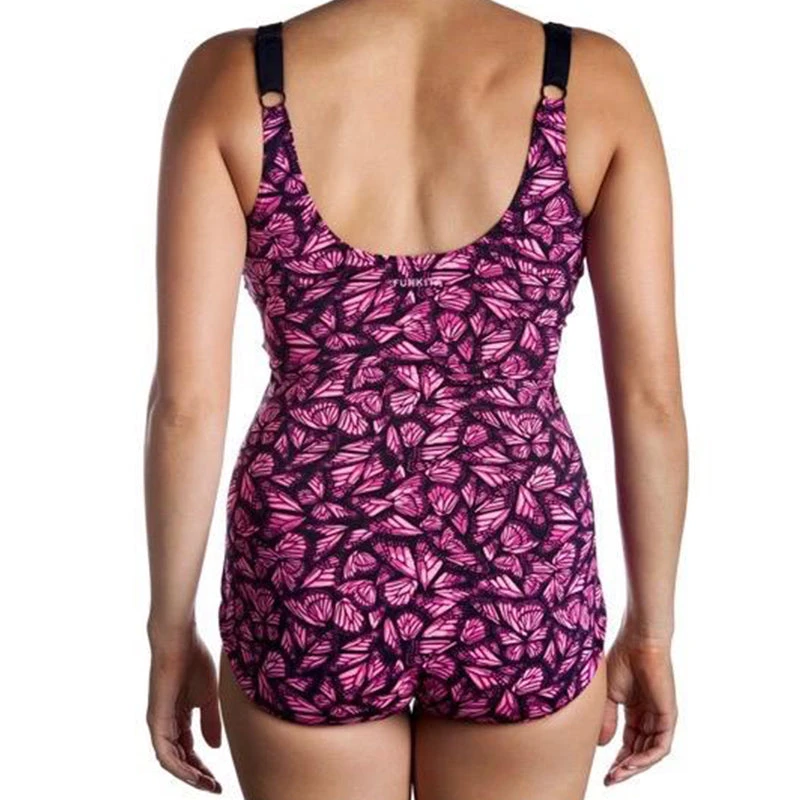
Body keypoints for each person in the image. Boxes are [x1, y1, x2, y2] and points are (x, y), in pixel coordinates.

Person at [144, 2, 688, 798]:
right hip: (519, 561)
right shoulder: (589, 79)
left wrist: (169, 631)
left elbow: (186, 405)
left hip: (312, 562)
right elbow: (651, 399)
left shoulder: (236, 78)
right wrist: (653, 630)